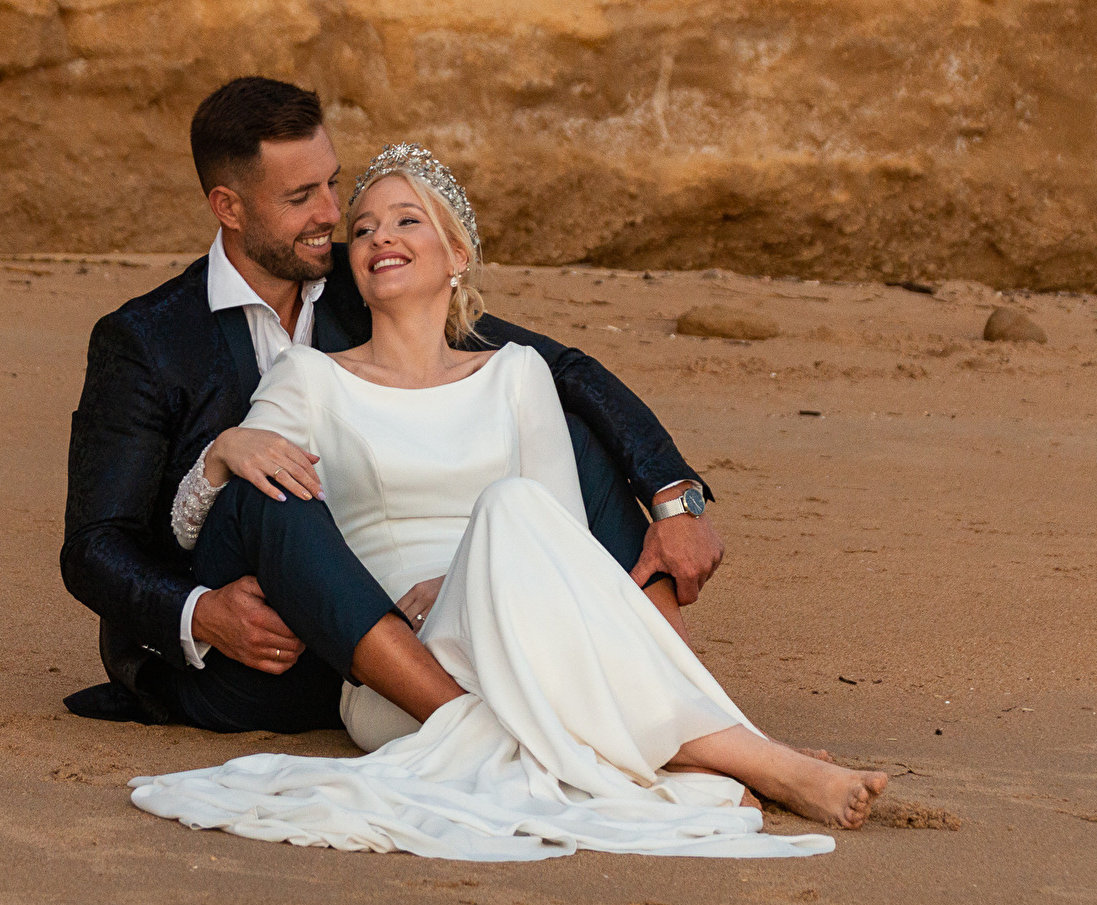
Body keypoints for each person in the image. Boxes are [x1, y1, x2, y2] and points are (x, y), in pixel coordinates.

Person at [129, 144, 889, 860]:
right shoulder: (308, 378)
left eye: (405, 220)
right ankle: (762, 760)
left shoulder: (518, 372)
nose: (378, 237)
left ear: (455, 256)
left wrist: (470, 576)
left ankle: (729, 751)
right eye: (361, 228)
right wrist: (225, 452)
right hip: (401, 664)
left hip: (517, 626)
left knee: (513, 511)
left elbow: (558, 547)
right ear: (352, 265)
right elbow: (203, 523)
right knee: (507, 511)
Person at [61, 77, 721, 736]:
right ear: (229, 207)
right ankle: (478, 729)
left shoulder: (371, 275)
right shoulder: (148, 340)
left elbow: (563, 369)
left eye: (331, 183)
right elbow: (94, 547)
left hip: (401, 627)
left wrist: (674, 496)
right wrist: (202, 613)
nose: (331, 213)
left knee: (571, 434)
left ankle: (685, 693)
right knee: (273, 490)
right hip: (264, 651)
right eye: (300, 197)